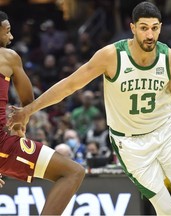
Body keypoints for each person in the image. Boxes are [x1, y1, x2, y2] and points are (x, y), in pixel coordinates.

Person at [7, 2, 171, 215]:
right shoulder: (111, 56)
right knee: (165, 209)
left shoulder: (170, 59)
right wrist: (30, 109)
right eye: (143, 28)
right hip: (129, 145)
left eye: (154, 28)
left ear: (160, 28)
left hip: (166, 135)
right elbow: (70, 84)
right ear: (132, 28)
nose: (150, 35)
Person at [0, 11, 85, 215]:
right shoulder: (8, 57)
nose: (11, 38)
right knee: (73, 172)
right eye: (7, 31)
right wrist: (20, 126)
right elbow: (28, 102)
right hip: (3, 144)